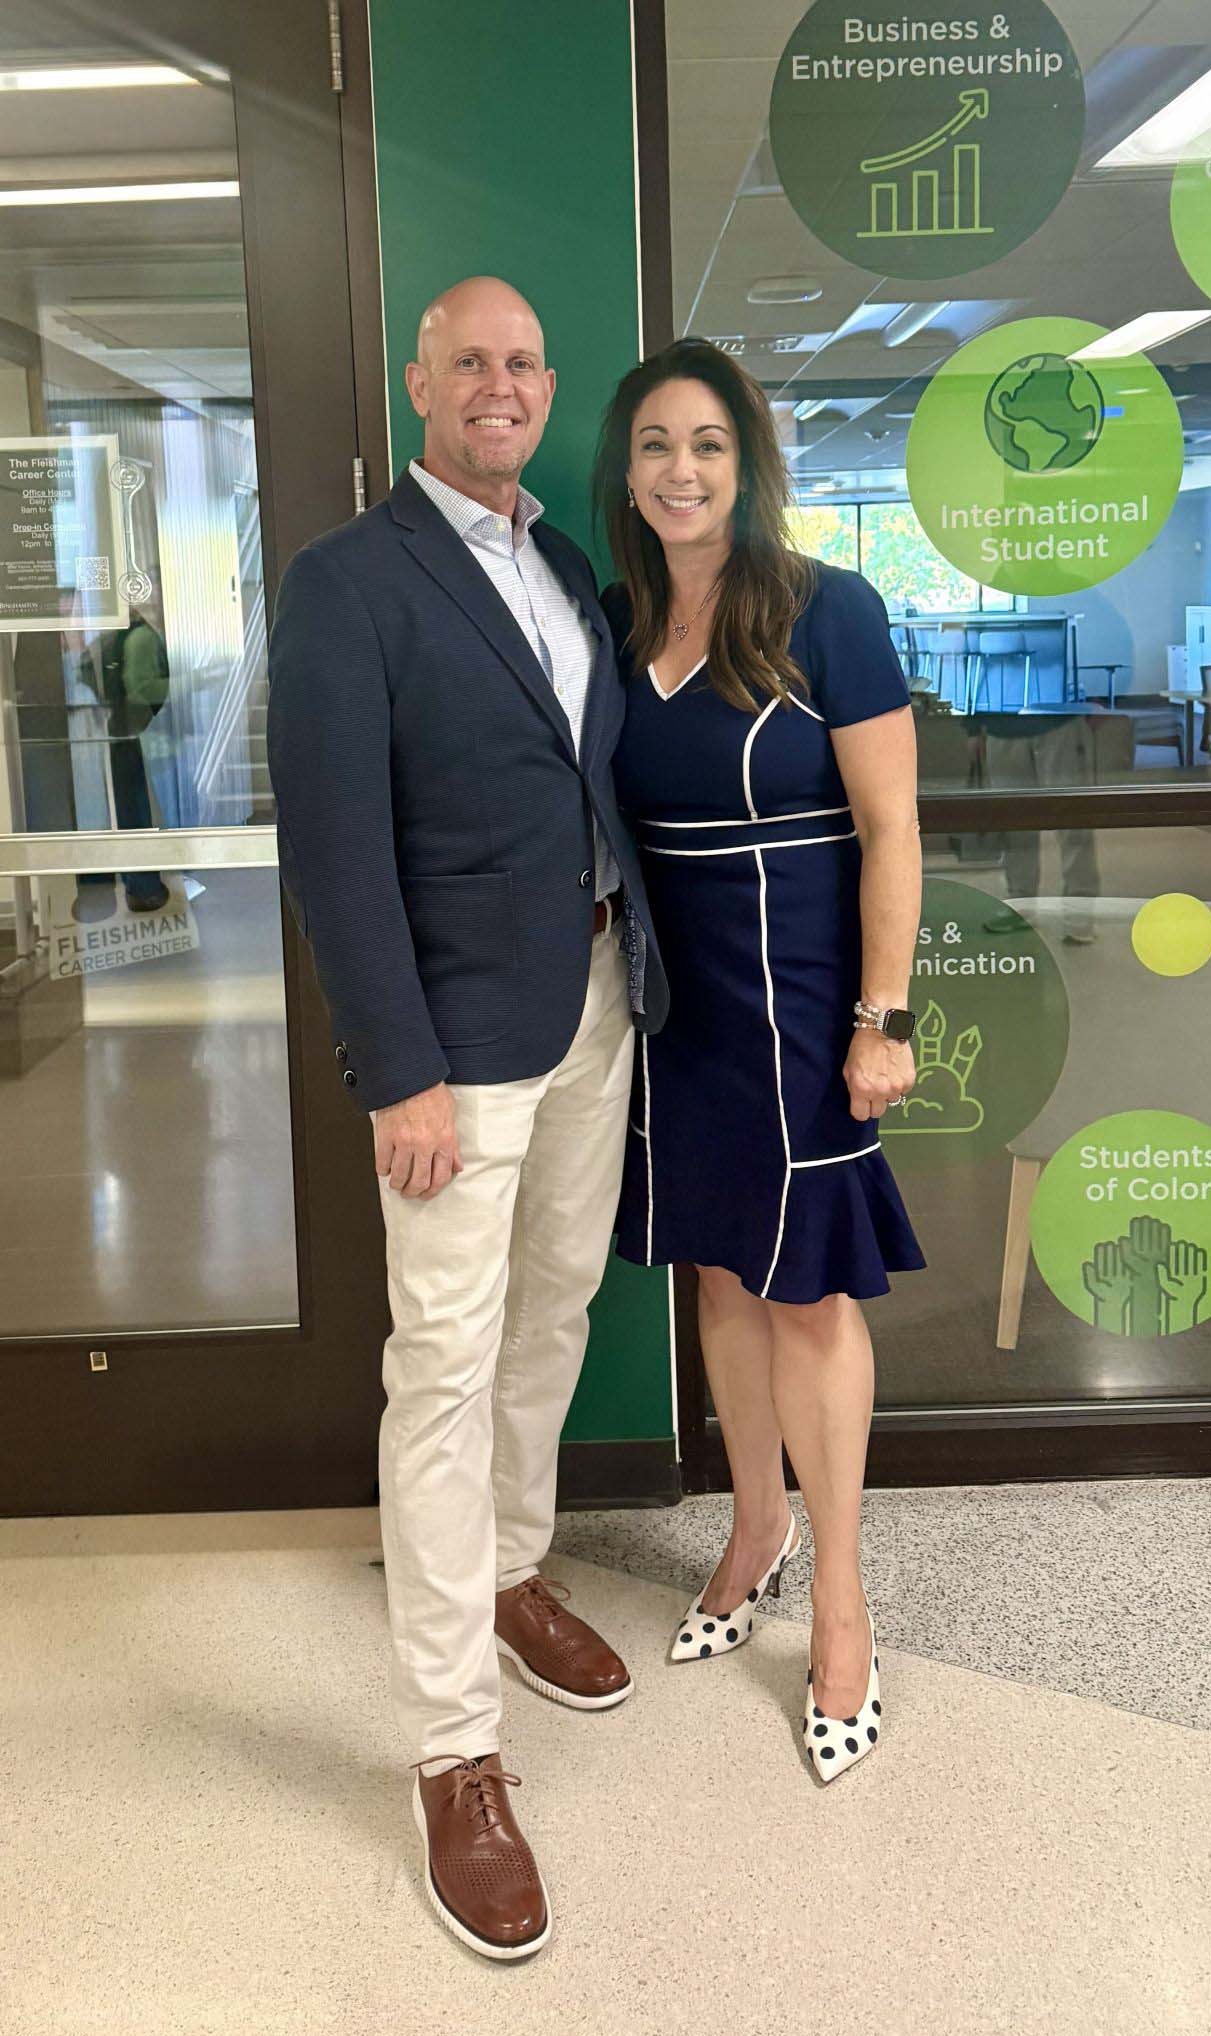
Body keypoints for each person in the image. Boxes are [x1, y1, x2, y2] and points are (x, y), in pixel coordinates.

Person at [267, 277, 667, 1959]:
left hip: (593, 1009)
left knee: (551, 1316)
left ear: (545, 386)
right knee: (440, 1366)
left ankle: (509, 1571)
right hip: (457, 1052)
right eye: (469, 362)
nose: (498, 385)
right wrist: (398, 1064)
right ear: (415, 380)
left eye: (523, 361)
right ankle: (454, 1754)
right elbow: (338, 850)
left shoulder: (564, 564)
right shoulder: (349, 583)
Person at [593, 337, 925, 1784]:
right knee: (720, 1272)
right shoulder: (608, 622)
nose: (681, 470)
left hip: (801, 1006)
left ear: (749, 463)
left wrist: (884, 1017)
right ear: (627, 466)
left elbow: (895, 830)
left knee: (806, 1297)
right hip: (674, 1013)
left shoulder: (825, 610)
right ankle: (755, 1530)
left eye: (709, 445)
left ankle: (841, 1611)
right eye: (657, 444)